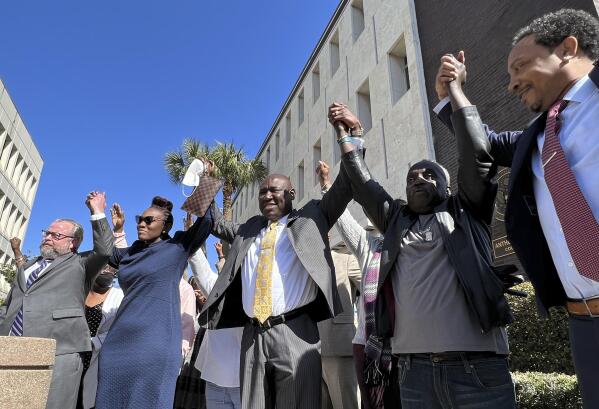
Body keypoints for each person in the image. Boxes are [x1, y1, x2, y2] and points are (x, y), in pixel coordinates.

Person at [434, 9, 599, 407]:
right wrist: (451, 94)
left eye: (520, 66)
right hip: (585, 323)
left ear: (567, 49)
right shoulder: (535, 138)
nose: (510, 84)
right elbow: (483, 143)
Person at [330, 98, 517, 409]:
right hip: (414, 373)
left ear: (446, 186)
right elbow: (363, 184)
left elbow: (476, 158)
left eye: (429, 175)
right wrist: (349, 134)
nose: (418, 179)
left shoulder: (468, 211)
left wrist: (455, 94)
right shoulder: (394, 221)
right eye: (411, 178)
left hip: (478, 370)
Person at [198, 130, 366, 409]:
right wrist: (206, 179)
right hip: (253, 336)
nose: (266, 196)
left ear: (291, 194)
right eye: (262, 191)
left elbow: (345, 187)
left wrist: (353, 139)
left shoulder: (311, 217)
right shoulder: (248, 229)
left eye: (274, 190)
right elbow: (215, 222)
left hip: (296, 332)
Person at [94, 187, 217, 409]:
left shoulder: (177, 247)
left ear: (165, 226)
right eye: (139, 220)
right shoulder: (129, 253)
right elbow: (103, 252)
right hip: (117, 344)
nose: (142, 224)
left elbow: (206, 221)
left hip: (154, 345)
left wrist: (203, 180)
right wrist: (108, 221)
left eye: (149, 220)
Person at [0, 191, 114, 409]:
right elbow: (10, 304)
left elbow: (104, 250)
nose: (48, 238)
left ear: (73, 243)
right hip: (11, 347)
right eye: (47, 233)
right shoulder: (27, 266)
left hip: (59, 351)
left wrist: (97, 212)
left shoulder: (81, 265)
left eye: (56, 235)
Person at [317, 160, 400, 409]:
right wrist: (326, 185)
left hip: (406, 347)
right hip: (367, 346)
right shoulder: (370, 247)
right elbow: (345, 222)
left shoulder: (410, 245)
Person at [190, 238, 243, 409]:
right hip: (214, 377)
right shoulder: (219, 287)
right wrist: (193, 237)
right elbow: (202, 273)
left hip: (244, 379)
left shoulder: (257, 290)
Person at [79, 264, 124, 409]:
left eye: (111, 269)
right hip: (72, 353)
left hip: (97, 358)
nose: (107, 271)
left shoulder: (119, 296)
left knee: (88, 400)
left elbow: (119, 329)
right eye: (103, 267)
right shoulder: (80, 292)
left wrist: (93, 342)